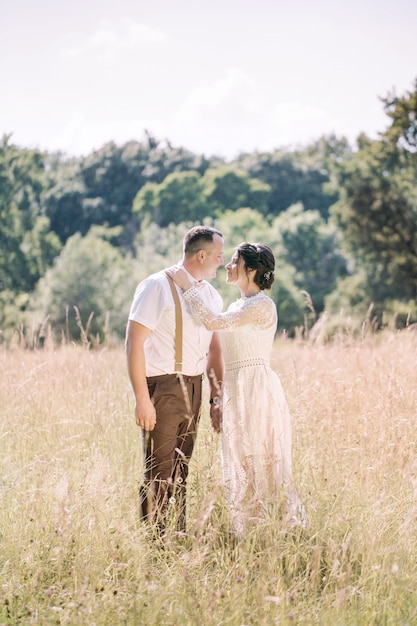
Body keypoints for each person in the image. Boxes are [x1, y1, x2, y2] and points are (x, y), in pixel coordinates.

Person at [167, 242, 306, 535]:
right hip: (235, 391)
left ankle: (282, 531)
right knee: (240, 461)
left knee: (264, 461)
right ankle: (251, 531)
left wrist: (187, 284)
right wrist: (217, 398)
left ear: (251, 270)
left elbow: (213, 322)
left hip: (256, 390)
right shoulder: (236, 306)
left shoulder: (262, 306)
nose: (228, 266)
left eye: (234, 261)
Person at [125, 226, 225, 535]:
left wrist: (214, 398)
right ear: (201, 255)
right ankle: (154, 545)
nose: (222, 262)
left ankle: (176, 536)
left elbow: (214, 349)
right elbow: (133, 343)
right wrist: (143, 398)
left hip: (195, 387)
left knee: (182, 471)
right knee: (159, 471)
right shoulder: (156, 286)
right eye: (219, 256)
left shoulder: (210, 295)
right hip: (164, 387)